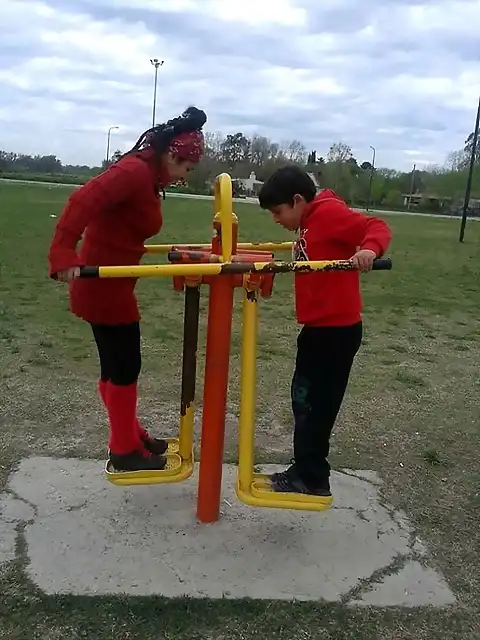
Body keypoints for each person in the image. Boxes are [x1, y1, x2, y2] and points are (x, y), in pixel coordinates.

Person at [47, 106, 207, 473]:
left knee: (115, 366)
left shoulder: (147, 175)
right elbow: (82, 200)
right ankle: (123, 450)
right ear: (171, 155)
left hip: (111, 285)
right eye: (186, 167)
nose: (185, 176)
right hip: (104, 287)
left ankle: (130, 434)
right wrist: (61, 252)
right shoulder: (134, 172)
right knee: (125, 367)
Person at [258, 166, 392, 497]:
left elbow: (375, 226)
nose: (276, 219)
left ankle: (313, 477)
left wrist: (369, 250)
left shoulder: (329, 213)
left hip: (336, 331)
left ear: (298, 200)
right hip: (318, 329)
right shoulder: (309, 221)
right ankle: (306, 470)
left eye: (278, 211)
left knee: (314, 406)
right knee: (304, 402)